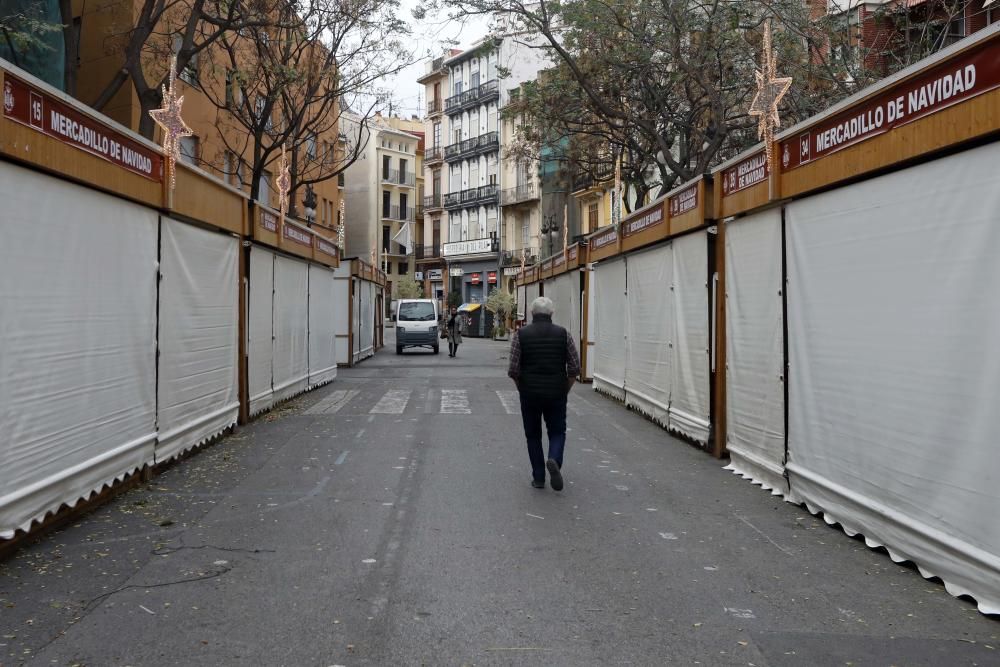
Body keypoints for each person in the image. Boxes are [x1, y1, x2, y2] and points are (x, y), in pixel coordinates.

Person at [507, 296, 580, 491]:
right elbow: (574, 367)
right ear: (552, 314)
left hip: (529, 392)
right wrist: (566, 388)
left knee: (533, 435)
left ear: (531, 313)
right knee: (557, 431)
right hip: (556, 391)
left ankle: (539, 477)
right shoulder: (563, 334)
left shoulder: (521, 334)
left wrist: (521, 387)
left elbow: (513, 368)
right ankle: (554, 459)